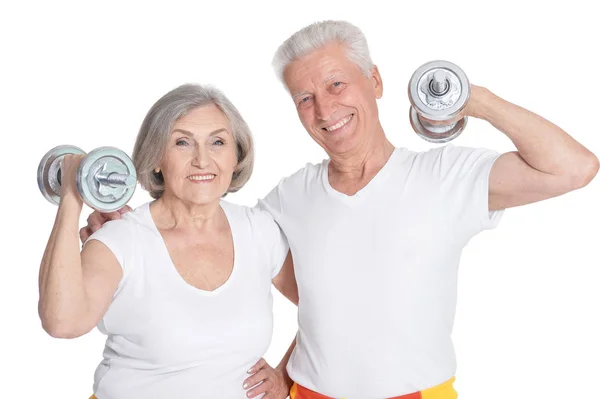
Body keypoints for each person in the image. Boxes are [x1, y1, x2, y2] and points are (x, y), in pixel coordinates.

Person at [83, 21, 599, 399]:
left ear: (374, 81)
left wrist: (474, 99)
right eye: (304, 98)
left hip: (415, 393)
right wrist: (130, 228)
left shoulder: (445, 177)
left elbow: (572, 169)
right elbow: (213, 235)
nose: (325, 109)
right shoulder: (289, 197)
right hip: (305, 395)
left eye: (335, 85)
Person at [38, 83, 298, 399]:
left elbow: (330, 310)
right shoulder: (121, 239)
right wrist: (71, 196)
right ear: (157, 158)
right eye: (182, 143)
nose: (202, 160)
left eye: (217, 141)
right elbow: (63, 323)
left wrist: (286, 374)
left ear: (236, 155)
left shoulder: (259, 231)